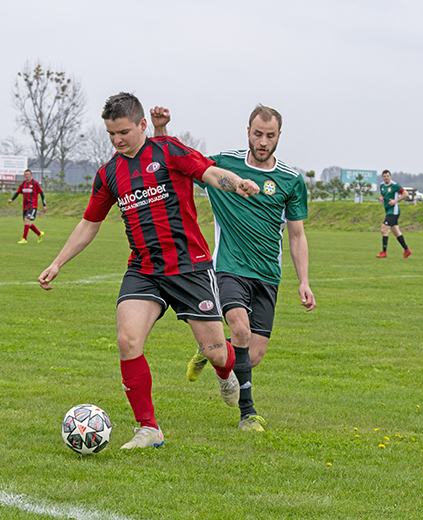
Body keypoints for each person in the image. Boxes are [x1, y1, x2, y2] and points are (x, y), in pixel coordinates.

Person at [38, 93, 260, 449]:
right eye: (111, 134)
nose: (117, 140)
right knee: (127, 340)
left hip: (189, 267)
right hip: (144, 269)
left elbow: (209, 172)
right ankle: (148, 428)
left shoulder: (167, 151)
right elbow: (88, 223)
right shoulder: (109, 173)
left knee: (218, 351)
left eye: (123, 131)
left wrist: (238, 183)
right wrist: (57, 262)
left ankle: (221, 368)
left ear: (142, 125)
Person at [152, 104, 316, 432]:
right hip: (229, 266)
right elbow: (177, 161)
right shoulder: (224, 164)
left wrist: (304, 281)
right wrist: (160, 131)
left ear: (279, 136)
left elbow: (297, 235)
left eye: (270, 136)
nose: (263, 141)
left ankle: (212, 350)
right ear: (248, 132)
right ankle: (247, 414)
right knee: (240, 330)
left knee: (252, 355)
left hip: (268, 273)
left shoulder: (290, 179)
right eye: (258, 134)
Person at [376, 170, 412, 258]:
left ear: (390, 176)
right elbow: (382, 194)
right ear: (382, 177)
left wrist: (395, 201)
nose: (386, 177)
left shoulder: (395, 185)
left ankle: (384, 252)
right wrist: (381, 197)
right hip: (388, 211)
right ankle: (407, 250)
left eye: (387, 176)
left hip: (394, 211)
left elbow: (405, 194)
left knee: (384, 229)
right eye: (384, 176)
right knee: (396, 232)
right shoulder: (382, 185)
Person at [8, 169, 46, 244]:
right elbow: (17, 192)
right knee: (27, 222)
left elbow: (41, 194)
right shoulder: (23, 184)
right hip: (25, 206)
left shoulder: (35, 184)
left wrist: (44, 205)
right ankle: (39, 233)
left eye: (28, 174)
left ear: (31, 175)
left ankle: (24, 239)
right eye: (25, 175)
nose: (27, 176)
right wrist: (12, 199)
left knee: (26, 220)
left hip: (32, 205)